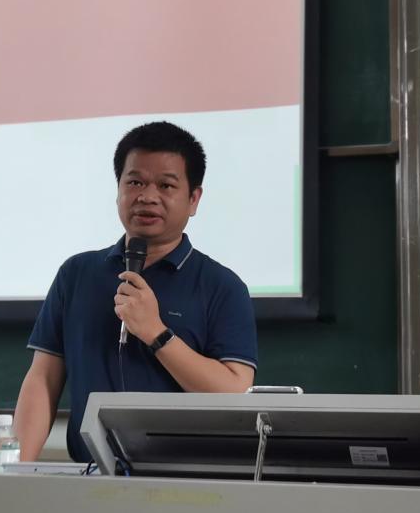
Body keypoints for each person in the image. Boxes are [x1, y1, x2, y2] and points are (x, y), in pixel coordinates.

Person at [13, 121, 257, 462]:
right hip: (89, 475)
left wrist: (157, 334)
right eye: (135, 182)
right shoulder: (77, 274)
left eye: (166, 185)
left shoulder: (222, 286)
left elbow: (236, 392)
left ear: (193, 199)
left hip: (190, 480)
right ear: (118, 191)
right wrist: (15, 462)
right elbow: (43, 379)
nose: (147, 196)